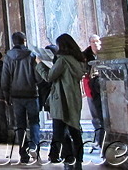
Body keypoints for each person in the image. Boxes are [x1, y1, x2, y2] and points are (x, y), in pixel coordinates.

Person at [36, 34, 86, 170]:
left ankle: (68, 158)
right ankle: (78, 160)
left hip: (61, 98)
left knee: (59, 131)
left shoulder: (63, 60)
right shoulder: (78, 60)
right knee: (74, 129)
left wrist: (40, 64)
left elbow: (49, 76)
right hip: (73, 97)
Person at [0, 31, 40, 164]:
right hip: (31, 93)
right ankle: (34, 147)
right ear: (24, 41)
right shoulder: (31, 55)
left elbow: (4, 78)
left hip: (16, 95)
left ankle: (23, 154)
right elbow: (38, 76)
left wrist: (6, 95)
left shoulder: (8, 57)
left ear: (13, 42)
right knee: (34, 122)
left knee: (20, 126)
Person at [83, 34, 103, 148]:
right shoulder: (85, 55)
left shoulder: (104, 53)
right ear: (90, 43)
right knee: (95, 115)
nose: (95, 44)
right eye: (93, 42)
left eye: (97, 41)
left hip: (104, 86)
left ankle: (102, 138)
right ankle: (99, 138)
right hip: (91, 88)